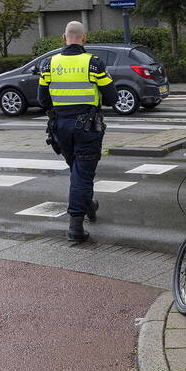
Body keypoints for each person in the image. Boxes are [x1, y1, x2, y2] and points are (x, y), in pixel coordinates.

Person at [38, 21, 118, 242]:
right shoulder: (93, 64)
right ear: (84, 38)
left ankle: (89, 204)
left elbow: (43, 100)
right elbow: (113, 98)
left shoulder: (48, 64)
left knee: (78, 172)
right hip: (87, 128)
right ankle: (75, 227)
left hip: (60, 128)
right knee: (82, 176)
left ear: (64, 37)